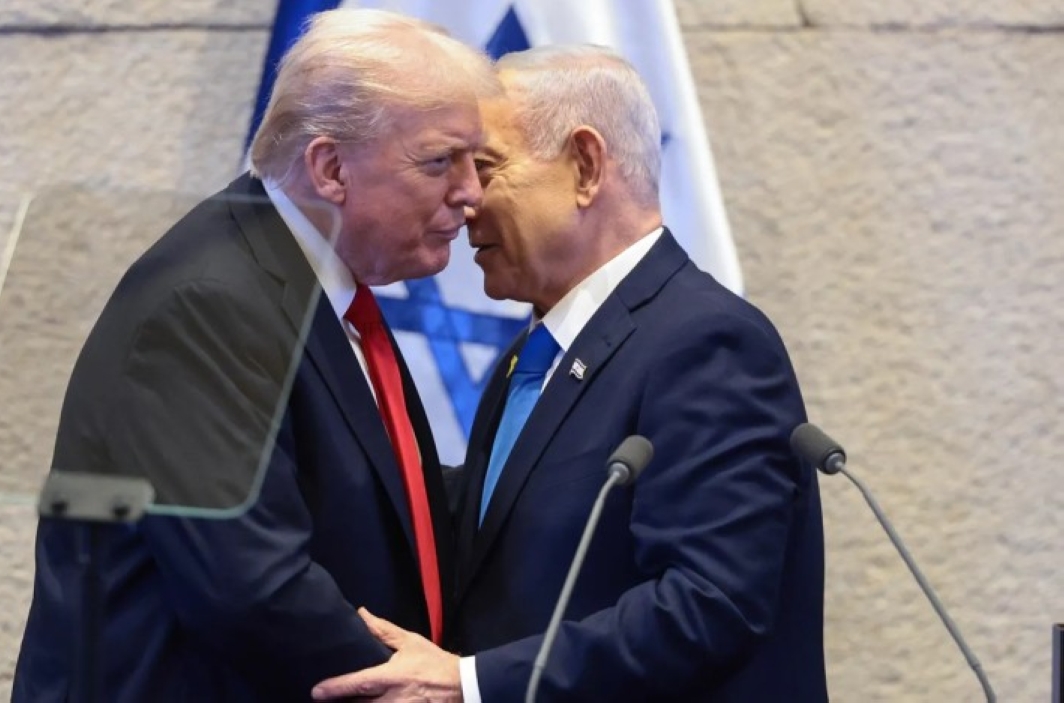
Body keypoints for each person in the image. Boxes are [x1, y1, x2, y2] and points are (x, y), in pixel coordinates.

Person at [312, 45, 827, 702]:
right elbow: (501, 536)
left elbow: (708, 603)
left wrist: (471, 682)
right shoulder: (534, 355)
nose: (463, 200)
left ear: (585, 166)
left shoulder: (707, 343)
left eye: (485, 168)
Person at [12, 9, 497, 701]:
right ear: (330, 167)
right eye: (440, 161)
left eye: (474, 162)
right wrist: (419, 687)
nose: (471, 192)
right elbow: (253, 587)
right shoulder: (210, 303)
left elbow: (371, 494)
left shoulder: (309, 277)